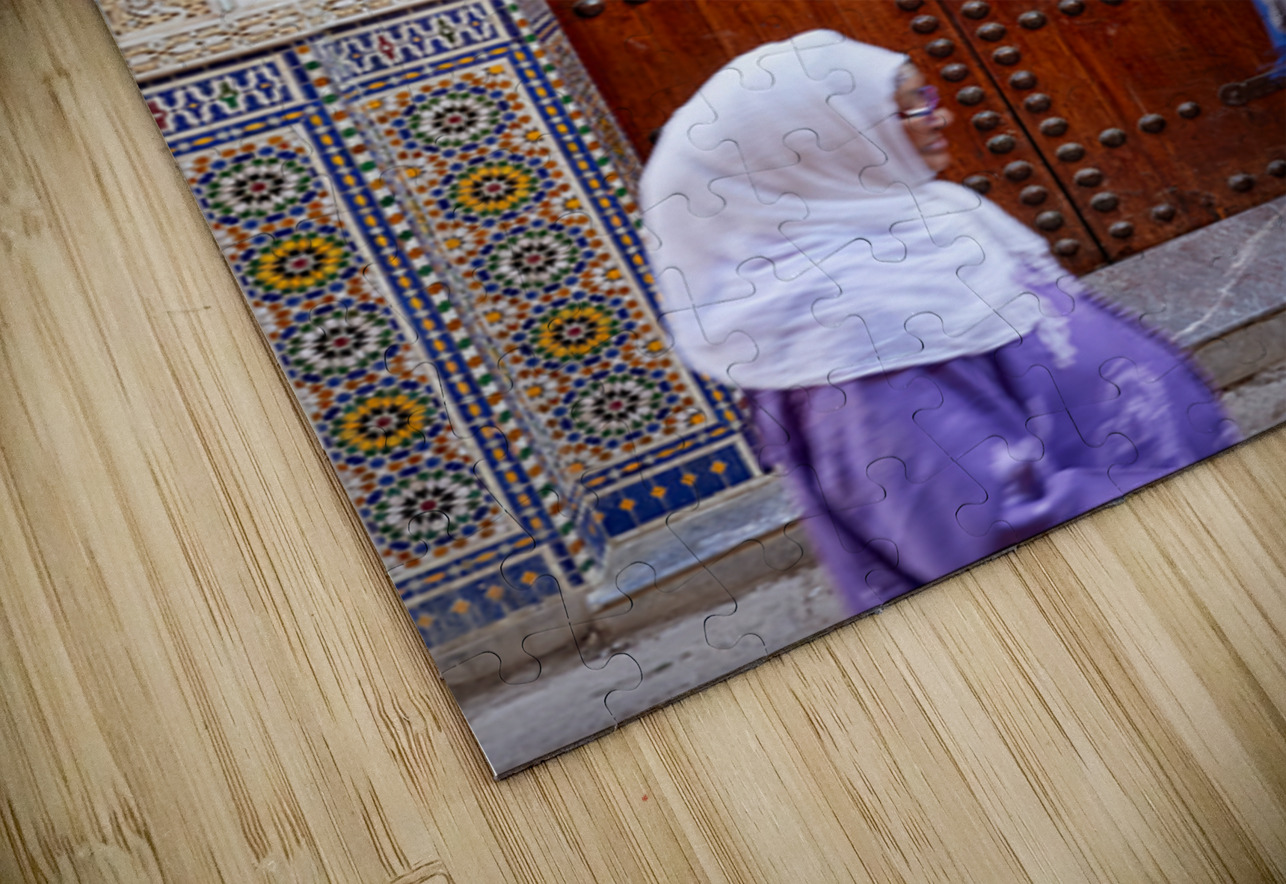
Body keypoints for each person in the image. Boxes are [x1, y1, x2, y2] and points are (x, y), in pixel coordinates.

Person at [639, 31, 1240, 615]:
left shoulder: (931, 221)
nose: (941, 116)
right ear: (819, 145)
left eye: (927, 97)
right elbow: (987, 533)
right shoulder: (847, 335)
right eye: (908, 108)